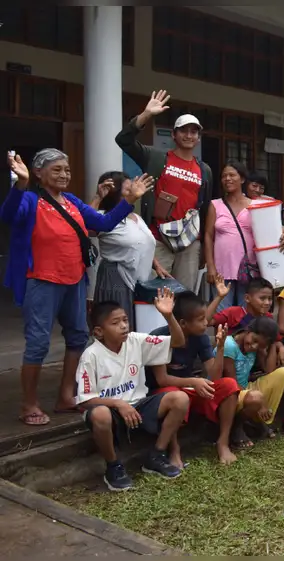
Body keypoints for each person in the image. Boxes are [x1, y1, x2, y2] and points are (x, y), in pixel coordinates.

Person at [5, 150, 149, 426]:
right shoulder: (30, 199)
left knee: (78, 337)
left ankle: (66, 397)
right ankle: (29, 404)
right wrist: (20, 184)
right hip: (42, 280)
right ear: (38, 173)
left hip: (75, 280)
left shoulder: (71, 201)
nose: (64, 174)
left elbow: (104, 223)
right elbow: (8, 215)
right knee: (38, 343)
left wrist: (130, 200)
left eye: (67, 169)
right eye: (57, 169)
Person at [74, 290, 188, 491]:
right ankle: (113, 467)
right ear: (99, 332)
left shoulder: (135, 340)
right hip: (112, 411)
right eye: (115, 322)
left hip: (139, 405)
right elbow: (85, 400)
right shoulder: (90, 356)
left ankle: (157, 455)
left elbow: (178, 342)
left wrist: (168, 315)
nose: (123, 326)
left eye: (125, 320)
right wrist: (118, 403)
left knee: (180, 399)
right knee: (99, 414)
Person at [115, 90, 214, 291]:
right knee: (153, 295)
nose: (188, 135)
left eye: (193, 132)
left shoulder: (204, 170)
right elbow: (123, 140)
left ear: (198, 138)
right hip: (158, 239)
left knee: (184, 299)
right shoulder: (156, 158)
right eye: (183, 131)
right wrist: (146, 115)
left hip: (189, 243)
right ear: (174, 135)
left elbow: (204, 209)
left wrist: (204, 247)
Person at [147, 292, 242, 464]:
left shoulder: (200, 337)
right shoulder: (158, 338)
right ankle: (174, 449)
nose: (206, 322)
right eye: (200, 319)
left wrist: (220, 348)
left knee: (229, 385)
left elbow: (214, 376)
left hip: (189, 389)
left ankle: (223, 443)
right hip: (164, 395)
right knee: (174, 394)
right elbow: (162, 380)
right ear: (183, 323)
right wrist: (193, 381)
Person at [89, 172, 161, 328]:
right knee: (118, 327)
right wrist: (98, 197)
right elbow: (85, 225)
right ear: (114, 192)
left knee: (137, 328)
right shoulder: (104, 217)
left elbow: (142, 243)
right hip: (116, 277)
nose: (134, 190)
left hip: (140, 280)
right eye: (128, 189)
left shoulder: (136, 217)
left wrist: (156, 265)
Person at [223, 317, 284, 448]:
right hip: (229, 392)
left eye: (260, 345)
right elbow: (232, 382)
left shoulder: (255, 347)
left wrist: (274, 345)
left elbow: (269, 370)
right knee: (255, 398)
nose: (253, 346)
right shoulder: (229, 345)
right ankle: (237, 427)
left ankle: (255, 421)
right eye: (254, 340)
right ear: (248, 330)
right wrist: (261, 404)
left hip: (244, 389)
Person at [204, 162, 257, 311]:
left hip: (248, 269)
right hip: (221, 270)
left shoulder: (254, 205)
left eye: (232, 175)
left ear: (242, 179)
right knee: (221, 314)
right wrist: (210, 266)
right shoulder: (215, 205)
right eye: (224, 176)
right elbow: (208, 236)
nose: (227, 179)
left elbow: (268, 231)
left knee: (246, 313)